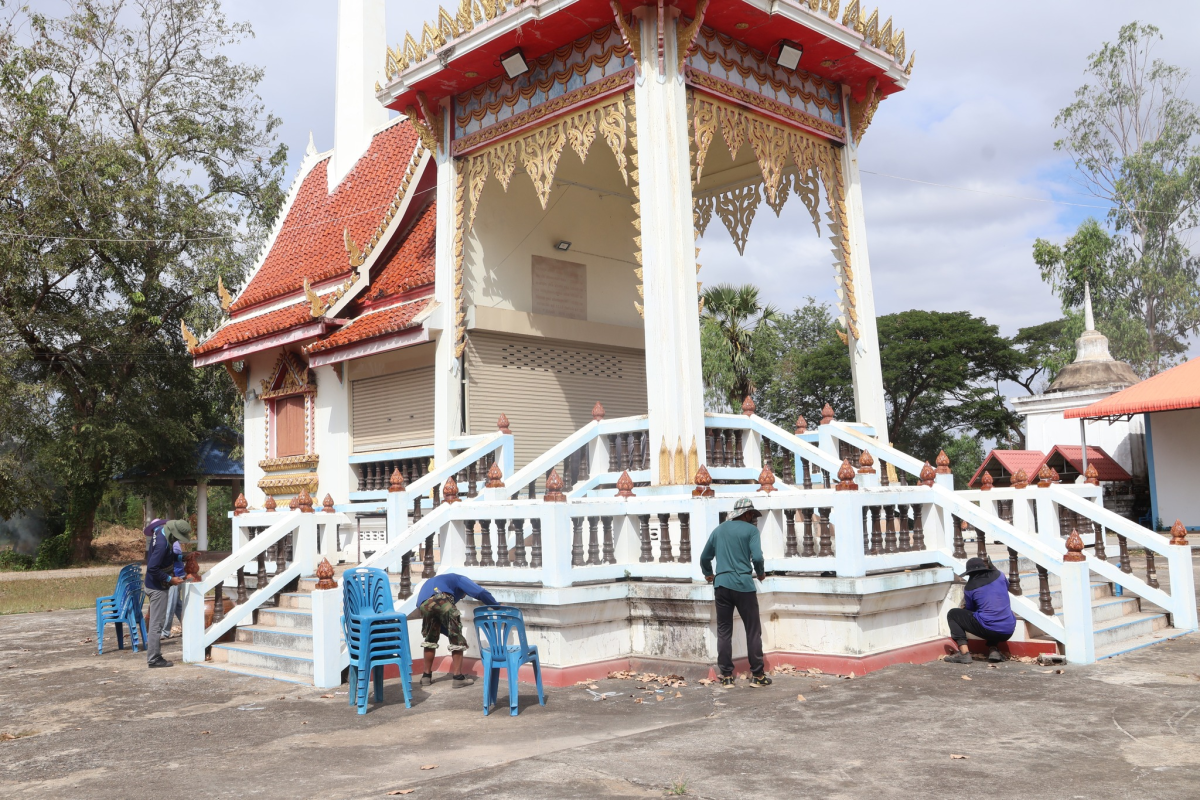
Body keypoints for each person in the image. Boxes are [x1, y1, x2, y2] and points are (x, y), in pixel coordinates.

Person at [700, 497, 771, 688]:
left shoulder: (718, 530)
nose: (753, 518)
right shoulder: (751, 531)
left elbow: (704, 558)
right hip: (744, 586)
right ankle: (758, 675)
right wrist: (761, 573)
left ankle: (727, 676)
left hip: (721, 585)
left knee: (724, 631)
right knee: (753, 631)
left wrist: (709, 574)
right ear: (746, 514)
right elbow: (757, 556)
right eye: (751, 514)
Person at [415, 571, 498, 688]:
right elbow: (480, 592)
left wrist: (449, 632)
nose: (463, 596)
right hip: (441, 598)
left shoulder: (440, 580)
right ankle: (458, 678)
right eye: (464, 594)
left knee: (430, 639)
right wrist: (496, 606)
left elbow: (442, 625)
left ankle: (426, 677)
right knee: (456, 638)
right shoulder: (460, 578)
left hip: (423, 605)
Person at [946, 556, 1017, 664]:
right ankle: (994, 650)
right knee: (994, 613)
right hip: (1009, 629)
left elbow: (971, 609)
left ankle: (964, 654)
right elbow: (1006, 587)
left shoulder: (970, 587)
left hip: (989, 628)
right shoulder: (1000, 575)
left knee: (953, 614)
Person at [144, 519, 189, 668]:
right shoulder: (163, 544)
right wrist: (170, 579)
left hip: (155, 584)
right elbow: (152, 568)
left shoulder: (160, 533)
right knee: (157, 624)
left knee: (159, 621)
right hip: (156, 588)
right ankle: (154, 659)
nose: (177, 540)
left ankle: (154, 656)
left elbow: (167, 557)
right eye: (177, 537)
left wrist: (183, 557)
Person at [160, 528, 192, 639]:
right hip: (175, 575)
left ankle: (165, 631)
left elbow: (175, 556)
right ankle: (190, 627)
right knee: (178, 605)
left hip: (176, 576)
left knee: (170, 604)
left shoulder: (173, 544)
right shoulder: (167, 543)